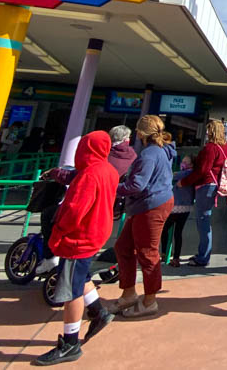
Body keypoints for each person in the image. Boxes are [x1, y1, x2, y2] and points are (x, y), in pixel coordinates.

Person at [33, 132, 119, 366]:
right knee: (81, 277)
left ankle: (70, 343)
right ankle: (99, 311)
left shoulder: (89, 175)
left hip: (79, 236)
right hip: (97, 231)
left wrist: (58, 232)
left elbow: (74, 210)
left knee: (71, 291)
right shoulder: (108, 170)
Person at [113, 117, 175, 317]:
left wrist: (111, 187)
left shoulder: (149, 154)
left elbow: (137, 185)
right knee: (124, 247)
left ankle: (150, 301)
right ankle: (129, 293)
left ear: (141, 133)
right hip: (149, 203)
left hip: (150, 205)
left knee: (148, 253)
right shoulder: (162, 150)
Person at [178, 119, 227, 267]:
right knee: (205, 219)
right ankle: (203, 254)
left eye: (208, 130)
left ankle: (203, 257)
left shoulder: (210, 148)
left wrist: (184, 182)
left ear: (211, 132)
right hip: (214, 184)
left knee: (203, 221)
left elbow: (202, 170)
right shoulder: (225, 147)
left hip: (206, 185)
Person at [161, 155, 194, 267]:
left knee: (165, 228)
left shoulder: (186, 173)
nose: (183, 164)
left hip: (177, 206)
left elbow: (172, 175)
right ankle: (176, 257)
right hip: (186, 207)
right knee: (178, 232)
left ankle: (165, 252)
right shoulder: (191, 174)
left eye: (186, 162)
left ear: (191, 164)